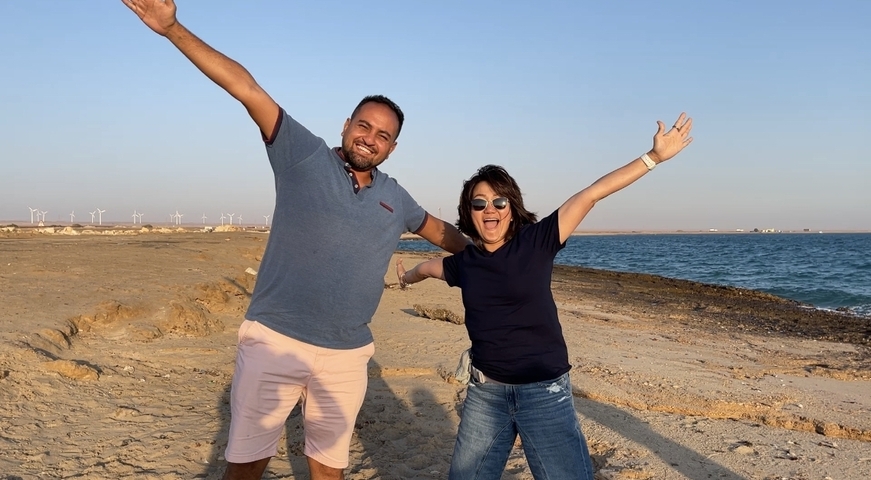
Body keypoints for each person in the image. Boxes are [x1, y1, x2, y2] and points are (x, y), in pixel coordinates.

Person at [122, 1, 470, 479]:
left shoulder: (396, 197)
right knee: (246, 463)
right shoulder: (302, 156)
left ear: (392, 147)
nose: (370, 138)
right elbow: (246, 89)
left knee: (329, 468)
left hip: (347, 355)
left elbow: (442, 232)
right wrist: (171, 28)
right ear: (345, 126)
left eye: (383, 135)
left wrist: (500, 254)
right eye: (363, 126)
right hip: (274, 340)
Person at [396, 113, 694, 479]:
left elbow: (591, 194)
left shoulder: (536, 242)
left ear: (512, 207)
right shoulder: (465, 263)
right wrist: (406, 278)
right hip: (486, 395)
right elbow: (428, 267)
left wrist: (654, 157)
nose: (489, 209)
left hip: (544, 393)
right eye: (479, 203)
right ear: (468, 213)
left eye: (499, 201)